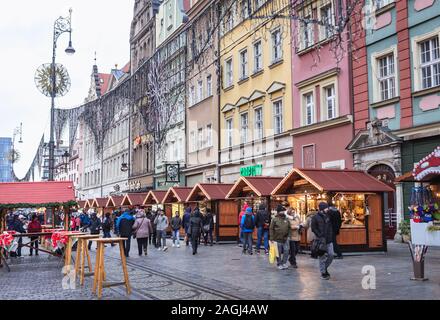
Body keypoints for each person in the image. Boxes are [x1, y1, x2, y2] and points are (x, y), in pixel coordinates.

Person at [311, 202, 335, 280]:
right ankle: (323, 273)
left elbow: (330, 227)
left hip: (328, 240)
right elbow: (313, 228)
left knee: (331, 255)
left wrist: (331, 235)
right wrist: (320, 235)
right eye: (326, 208)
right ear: (322, 209)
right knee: (322, 257)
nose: (327, 209)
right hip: (320, 240)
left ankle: (324, 268)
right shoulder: (315, 217)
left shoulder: (328, 216)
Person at [269, 205, 291, 270]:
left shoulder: (286, 219)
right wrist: (271, 238)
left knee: (286, 250)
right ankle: (279, 264)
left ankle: (284, 262)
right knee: (278, 252)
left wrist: (289, 236)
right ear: (278, 212)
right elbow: (271, 228)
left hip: (285, 238)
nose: (283, 212)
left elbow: (289, 228)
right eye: (281, 211)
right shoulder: (274, 219)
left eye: (283, 211)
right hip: (277, 238)